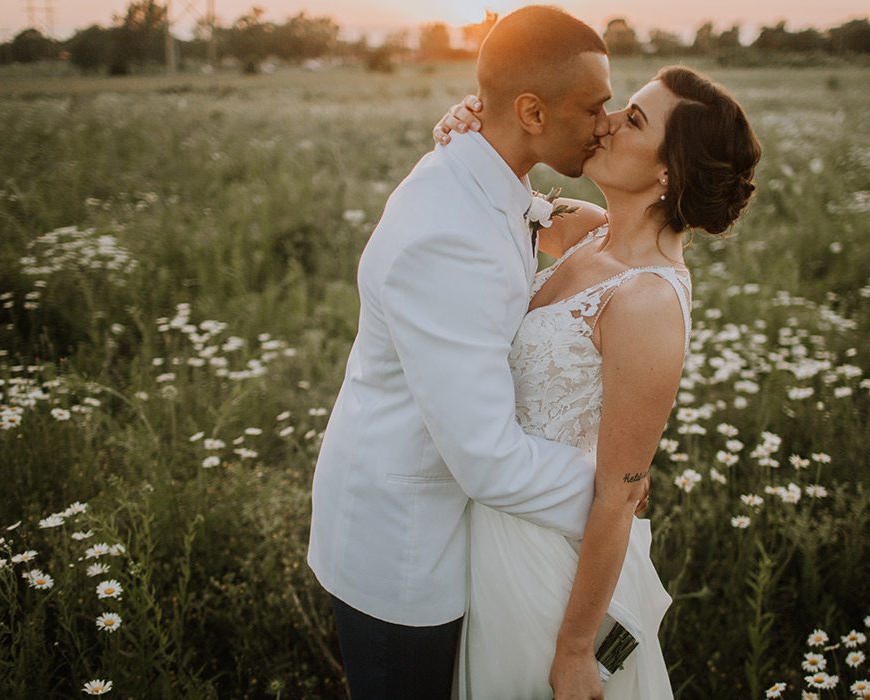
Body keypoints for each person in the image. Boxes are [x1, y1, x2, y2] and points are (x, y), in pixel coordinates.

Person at [307, 7, 632, 699]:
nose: (607, 122)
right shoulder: (448, 234)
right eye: (595, 105)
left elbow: (607, 238)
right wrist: (613, 496)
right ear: (532, 112)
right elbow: (486, 457)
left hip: (459, 524)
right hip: (403, 548)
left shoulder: (485, 174)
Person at [434, 64, 761, 699]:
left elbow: (620, 495)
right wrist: (471, 130)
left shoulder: (647, 303)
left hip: (550, 567)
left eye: (633, 120)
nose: (605, 122)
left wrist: (577, 648)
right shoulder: (590, 231)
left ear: (670, 171)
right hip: (492, 525)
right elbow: (498, 196)